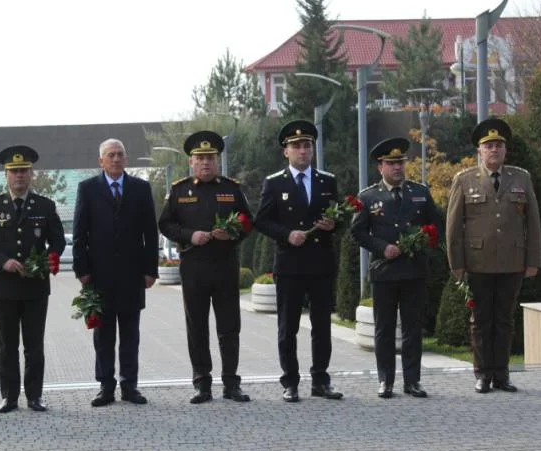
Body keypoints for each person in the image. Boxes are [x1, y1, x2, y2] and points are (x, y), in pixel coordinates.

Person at [446, 118, 541, 393]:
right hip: (478, 264)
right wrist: (457, 264)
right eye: (488, 146)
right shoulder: (464, 180)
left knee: (505, 320)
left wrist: (533, 260)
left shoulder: (521, 178)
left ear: (505, 150)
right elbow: (453, 228)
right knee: (480, 321)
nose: (494, 150)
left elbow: (533, 222)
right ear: (480, 151)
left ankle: (502, 374)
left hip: (512, 261)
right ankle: (483, 374)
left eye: (498, 145)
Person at [158, 131, 252, 404]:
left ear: (218, 160)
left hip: (224, 265)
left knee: (229, 326)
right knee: (197, 326)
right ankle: (202, 383)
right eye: (200, 158)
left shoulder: (231, 188)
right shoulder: (179, 190)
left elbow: (248, 221)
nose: (206, 162)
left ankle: (231, 383)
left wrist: (233, 233)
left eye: (210, 157)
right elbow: (165, 224)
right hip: (194, 266)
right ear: (191, 162)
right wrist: (189, 235)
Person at [0, 145, 66, 413]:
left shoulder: (45, 206)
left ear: (31, 174)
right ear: (6, 175)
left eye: (24, 171)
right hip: (3, 286)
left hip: (35, 285)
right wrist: (3, 261)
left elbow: (58, 240)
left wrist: (45, 259)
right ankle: (9, 397)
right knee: (7, 345)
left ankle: (35, 395)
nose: (19, 176)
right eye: (14, 172)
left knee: (34, 345)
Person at [253, 120, 343, 403]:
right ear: (286, 152)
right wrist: (286, 234)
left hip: (320, 263)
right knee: (287, 327)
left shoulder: (326, 181)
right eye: (296, 146)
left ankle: (321, 380)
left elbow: (340, 216)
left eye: (307, 145)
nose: (302, 151)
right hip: (290, 264)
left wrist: (333, 224)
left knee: (322, 326)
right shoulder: (274, 182)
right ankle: (290, 381)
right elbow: (262, 221)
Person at [351, 137, 440, 399]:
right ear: (381, 167)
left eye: (400, 162)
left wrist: (423, 240)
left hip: (414, 270)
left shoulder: (420, 193)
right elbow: (357, 232)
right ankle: (385, 380)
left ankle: (412, 381)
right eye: (391, 164)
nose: (397, 168)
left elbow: (435, 226)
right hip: (385, 272)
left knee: (413, 328)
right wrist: (381, 247)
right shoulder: (368, 197)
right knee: (384, 329)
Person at [73, 138, 159, 407]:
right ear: (101, 161)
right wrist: (82, 270)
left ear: (126, 158)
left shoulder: (141, 188)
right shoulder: (87, 189)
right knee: (104, 336)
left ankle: (130, 386)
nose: (116, 159)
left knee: (130, 335)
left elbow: (150, 233)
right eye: (110, 155)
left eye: (120, 154)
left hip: (133, 275)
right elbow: (79, 234)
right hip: (99, 276)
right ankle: (105, 387)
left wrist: (150, 270)